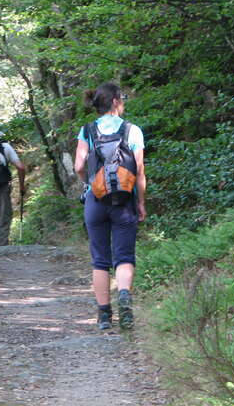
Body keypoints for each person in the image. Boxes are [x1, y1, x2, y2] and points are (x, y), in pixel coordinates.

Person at [73, 82, 146, 331]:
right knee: (124, 256)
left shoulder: (87, 130)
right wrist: (141, 202)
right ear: (115, 101)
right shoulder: (132, 130)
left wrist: (91, 183)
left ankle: (104, 315)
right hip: (125, 200)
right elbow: (140, 171)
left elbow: (78, 166)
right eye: (122, 98)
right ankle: (124, 294)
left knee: (100, 259)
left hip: (96, 200)